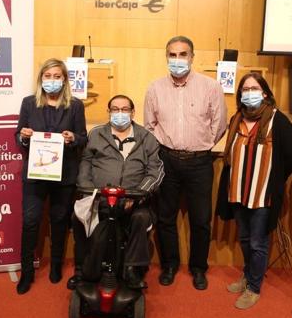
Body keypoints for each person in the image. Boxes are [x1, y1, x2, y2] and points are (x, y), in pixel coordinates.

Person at [144, 35, 227, 290]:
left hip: (200, 162)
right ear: (166, 57)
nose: (177, 60)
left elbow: (219, 125)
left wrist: (199, 144)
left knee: (201, 220)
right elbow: (150, 125)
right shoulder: (155, 88)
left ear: (192, 57)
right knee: (166, 218)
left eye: (183, 55)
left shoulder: (210, 87)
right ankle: (169, 265)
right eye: (173, 55)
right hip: (166, 160)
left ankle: (198, 268)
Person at [216, 73, 292, 309]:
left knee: (257, 243)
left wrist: (272, 181)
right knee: (243, 238)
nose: (249, 92)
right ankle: (247, 274)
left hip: (263, 195)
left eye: (254, 88)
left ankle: (254, 287)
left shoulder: (278, 121)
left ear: (264, 92)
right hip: (238, 192)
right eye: (245, 89)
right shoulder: (237, 118)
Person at [67, 95, 164, 289]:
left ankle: (132, 270)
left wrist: (137, 194)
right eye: (115, 109)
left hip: (133, 201)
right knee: (77, 217)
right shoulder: (96, 134)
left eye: (125, 109)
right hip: (99, 199)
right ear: (109, 112)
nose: (120, 113)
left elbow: (156, 172)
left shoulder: (147, 138)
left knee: (141, 219)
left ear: (133, 112)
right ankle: (82, 270)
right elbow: (85, 163)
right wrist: (88, 191)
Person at [15, 58, 87, 294]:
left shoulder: (75, 105)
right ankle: (26, 272)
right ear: (41, 79)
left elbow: (83, 137)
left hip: (64, 174)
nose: (52, 81)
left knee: (58, 221)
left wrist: (73, 138)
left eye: (57, 76)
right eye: (48, 76)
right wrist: (24, 136)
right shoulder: (29, 103)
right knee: (30, 221)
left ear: (64, 80)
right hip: (35, 174)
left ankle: (56, 264)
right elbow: (18, 135)